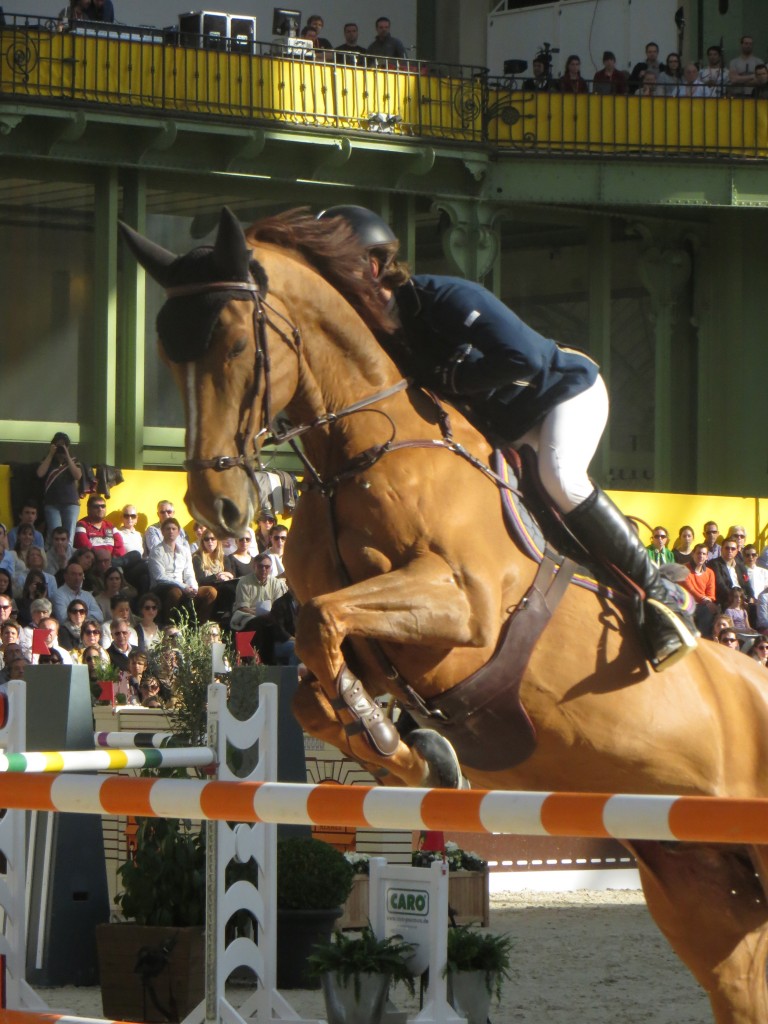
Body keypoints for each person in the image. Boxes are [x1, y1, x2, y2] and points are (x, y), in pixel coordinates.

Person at [316, 204, 698, 670]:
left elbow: (525, 360)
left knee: (560, 477)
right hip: (510, 429)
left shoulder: (443, 298)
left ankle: (661, 594)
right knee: (532, 517)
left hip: (562, 392)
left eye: (334, 272)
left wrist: (455, 379)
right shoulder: (382, 337)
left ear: (372, 268)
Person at [148, 517, 216, 624]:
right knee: (175, 592)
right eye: (168, 529)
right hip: (162, 587)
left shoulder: (184, 550)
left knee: (211, 592)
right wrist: (183, 586)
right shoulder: (156, 551)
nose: (171, 531)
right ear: (162, 532)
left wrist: (193, 588)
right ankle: (169, 626)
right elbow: (160, 577)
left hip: (183, 587)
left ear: (178, 532)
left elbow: (189, 573)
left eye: (174, 529)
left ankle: (200, 626)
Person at [36, 432, 82, 545]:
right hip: (52, 503)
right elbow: (40, 473)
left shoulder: (74, 461)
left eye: (64, 446)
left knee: (69, 536)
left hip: (71, 503)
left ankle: (67, 560)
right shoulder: (47, 460)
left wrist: (67, 455)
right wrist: (51, 454)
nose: (60, 450)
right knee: (54, 534)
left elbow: (78, 475)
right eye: (58, 446)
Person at [230, 554, 288, 632]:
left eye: (267, 567)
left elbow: (278, 605)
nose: (264, 569)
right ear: (254, 567)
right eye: (260, 566)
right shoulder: (244, 582)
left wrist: (270, 615)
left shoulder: (275, 583)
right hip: (248, 616)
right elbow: (242, 608)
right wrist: (260, 615)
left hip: (271, 616)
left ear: (270, 568)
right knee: (260, 622)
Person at [711, 538, 753, 610]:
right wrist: (736, 598)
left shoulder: (740, 566)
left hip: (742, 599)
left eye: (733, 549)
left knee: (754, 607)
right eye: (727, 548)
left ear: (737, 551)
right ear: (721, 549)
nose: (730, 551)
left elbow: (747, 584)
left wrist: (750, 597)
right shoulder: (715, 564)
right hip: (726, 600)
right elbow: (721, 585)